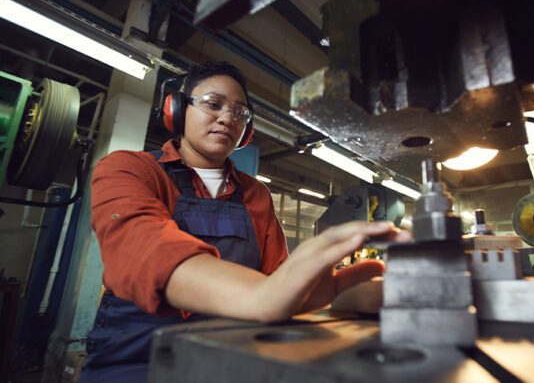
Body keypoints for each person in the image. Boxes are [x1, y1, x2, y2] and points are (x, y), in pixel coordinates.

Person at [80, 62, 409, 382]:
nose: (227, 118)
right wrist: (265, 296)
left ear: (247, 129)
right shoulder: (129, 169)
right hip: (136, 356)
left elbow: (278, 279)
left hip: (231, 345)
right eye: (213, 104)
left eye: (239, 113)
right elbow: (147, 251)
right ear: (176, 110)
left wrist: (353, 296)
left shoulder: (256, 194)